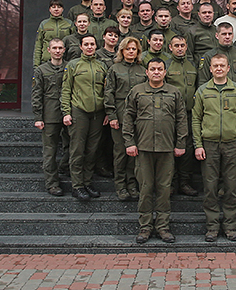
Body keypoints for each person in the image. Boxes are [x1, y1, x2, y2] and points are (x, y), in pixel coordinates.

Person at [123, 58, 188, 244]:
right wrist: (129, 142)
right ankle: (145, 227)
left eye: (160, 69)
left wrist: (180, 143)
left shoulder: (174, 92)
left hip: (166, 148)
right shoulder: (137, 91)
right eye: (153, 69)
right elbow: (128, 117)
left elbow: (181, 119)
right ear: (147, 72)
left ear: (165, 72)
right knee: (145, 188)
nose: (156, 72)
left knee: (164, 189)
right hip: (143, 148)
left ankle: (163, 227)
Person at [198, 22, 236, 202]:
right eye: (223, 34)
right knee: (219, 154)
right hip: (216, 108)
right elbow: (202, 82)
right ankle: (222, 186)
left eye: (230, 34)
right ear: (216, 35)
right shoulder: (209, 56)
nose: (227, 37)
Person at [193, 53, 236, 242]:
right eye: (215, 65)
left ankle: (230, 227)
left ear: (228, 68)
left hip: (232, 144)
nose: (219, 68)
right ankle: (212, 227)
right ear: (210, 69)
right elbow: (196, 119)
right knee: (210, 188)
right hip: (209, 145)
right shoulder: (202, 91)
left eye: (222, 65)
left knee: (231, 187)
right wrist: (198, 145)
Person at [61, 34, 108, 202]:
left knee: (92, 149)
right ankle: (77, 185)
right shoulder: (73, 65)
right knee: (77, 149)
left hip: (97, 113)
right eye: (86, 44)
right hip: (79, 111)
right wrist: (66, 112)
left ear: (96, 46)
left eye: (92, 44)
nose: (89, 47)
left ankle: (87, 182)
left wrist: (108, 112)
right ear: (81, 47)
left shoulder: (101, 66)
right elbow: (66, 89)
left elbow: (107, 90)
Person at [104, 36, 147, 201]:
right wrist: (112, 115)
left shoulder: (142, 70)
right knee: (121, 152)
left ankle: (132, 184)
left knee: (134, 152)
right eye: (128, 49)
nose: (131, 51)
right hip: (120, 115)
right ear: (122, 51)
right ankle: (120, 185)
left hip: (138, 116)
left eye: (134, 49)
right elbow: (109, 92)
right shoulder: (114, 69)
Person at [32, 38, 69, 196]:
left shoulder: (69, 67)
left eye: (60, 48)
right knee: (50, 151)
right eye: (54, 48)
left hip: (68, 114)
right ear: (49, 50)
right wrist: (38, 117)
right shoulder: (41, 70)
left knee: (72, 147)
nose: (57, 51)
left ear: (64, 50)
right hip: (50, 115)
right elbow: (37, 94)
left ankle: (65, 168)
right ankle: (52, 183)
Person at [165, 34, 199, 196]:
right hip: (170, 114)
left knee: (188, 147)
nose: (180, 48)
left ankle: (185, 182)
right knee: (170, 146)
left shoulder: (193, 65)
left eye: (182, 45)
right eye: (176, 45)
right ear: (170, 47)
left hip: (190, 112)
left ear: (186, 47)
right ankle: (170, 183)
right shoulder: (166, 65)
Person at [34, 0, 75, 67]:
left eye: (59, 7)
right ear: (50, 9)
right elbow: (38, 45)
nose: (56, 9)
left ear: (62, 9)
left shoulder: (69, 23)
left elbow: (73, 43)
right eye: (53, 7)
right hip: (46, 61)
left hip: (65, 61)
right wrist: (36, 65)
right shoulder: (44, 24)